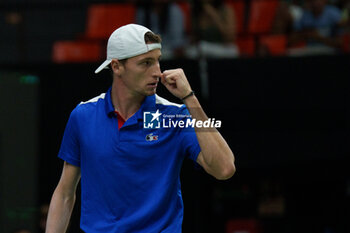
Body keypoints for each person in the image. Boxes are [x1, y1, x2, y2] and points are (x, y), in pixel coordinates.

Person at [45, 24, 235, 233]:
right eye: (146, 63)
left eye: (157, 61)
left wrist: (190, 98)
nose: (157, 72)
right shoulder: (83, 116)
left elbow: (224, 169)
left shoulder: (174, 116)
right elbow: (64, 193)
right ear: (116, 67)